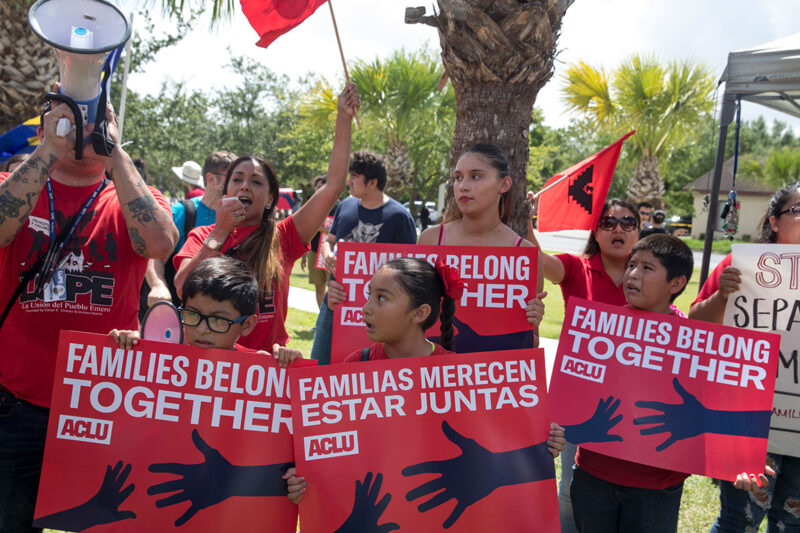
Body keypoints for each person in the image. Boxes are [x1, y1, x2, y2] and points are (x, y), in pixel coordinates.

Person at [0, 93, 178, 532]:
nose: (85, 127)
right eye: (70, 118)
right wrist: (49, 149)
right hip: (17, 404)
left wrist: (114, 155)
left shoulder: (133, 195)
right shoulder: (14, 181)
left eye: (98, 119)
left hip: (103, 403)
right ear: (45, 126)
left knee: (111, 523)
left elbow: (160, 244)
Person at [285, 257, 566, 512]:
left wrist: (541, 442)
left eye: (382, 298)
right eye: (369, 294)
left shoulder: (457, 376)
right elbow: (331, 451)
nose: (366, 308)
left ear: (419, 313)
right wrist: (305, 480)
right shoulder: (357, 366)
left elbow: (495, 444)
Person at [172, 83, 360, 353]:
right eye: (237, 179)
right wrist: (220, 233)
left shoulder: (284, 236)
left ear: (271, 198)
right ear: (226, 190)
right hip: (210, 364)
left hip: (265, 371)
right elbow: (181, 287)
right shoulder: (203, 236)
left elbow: (333, 186)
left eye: (256, 182)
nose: (245, 186)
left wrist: (343, 118)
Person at [691, 182, 800, 533]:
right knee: (739, 522)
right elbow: (695, 325)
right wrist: (722, 296)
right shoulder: (740, 267)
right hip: (750, 422)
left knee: (792, 524)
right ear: (774, 223)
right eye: (798, 210)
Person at [528, 197, 640, 533]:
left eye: (627, 222)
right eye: (608, 222)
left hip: (632, 402)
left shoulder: (652, 275)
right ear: (596, 231)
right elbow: (535, 259)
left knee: (628, 487)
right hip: (578, 400)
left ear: (639, 230)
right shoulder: (576, 268)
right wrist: (529, 218)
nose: (618, 228)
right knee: (571, 486)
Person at [310, 149, 417, 364]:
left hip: (378, 310)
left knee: (364, 375)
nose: (349, 182)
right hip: (336, 301)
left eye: (354, 177)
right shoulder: (345, 206)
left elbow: (410, 268)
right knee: (318, 365)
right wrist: (328, 253)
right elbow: (330, 239)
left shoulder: (399, 217)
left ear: (372, 182)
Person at [144, 151, 236, 310]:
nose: (240, 185)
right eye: (234, 178)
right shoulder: (182, 212)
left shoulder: (240, 216)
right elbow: (154, 257)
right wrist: (158, 285)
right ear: (211, 179)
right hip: (179, 312)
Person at [300, 175, 337, 308]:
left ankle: (332, 323)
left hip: (331, 255)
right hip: (314, 252)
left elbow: (337, 232)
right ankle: (320, 322)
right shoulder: (311, 207)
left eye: (321, 187)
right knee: (319, 288)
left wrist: (320, 227)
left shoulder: (338, 208)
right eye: (317, 188)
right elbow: (306, 231)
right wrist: (304, 255)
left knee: (332, 288)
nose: (318, 191)